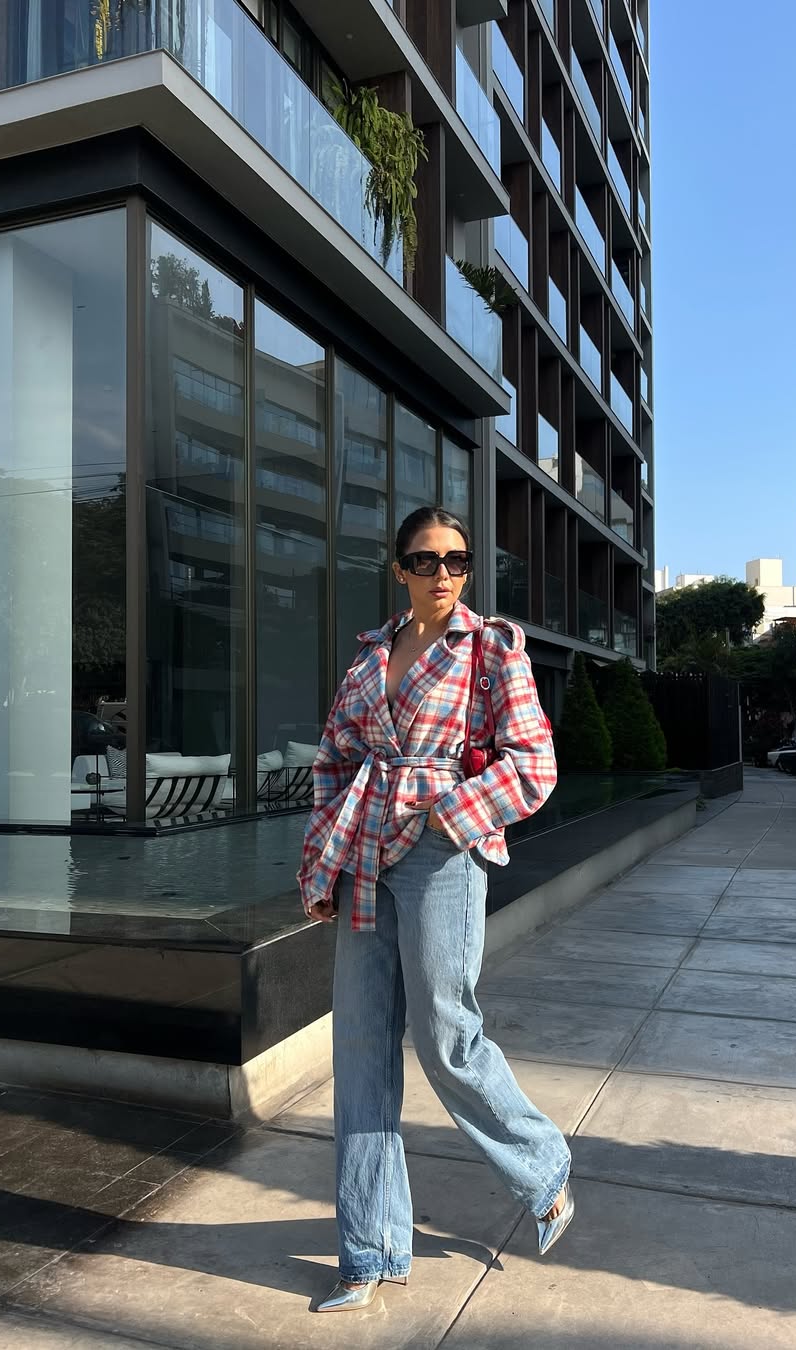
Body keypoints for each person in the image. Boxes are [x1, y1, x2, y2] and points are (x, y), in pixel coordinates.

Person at [297, 506, 574, 1313]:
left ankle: (542, 1166)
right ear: (401, 571)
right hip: (364, 854)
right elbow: (333, 760)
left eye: (457, 560)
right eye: (426, 561)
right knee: (359, 1050)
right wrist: (325, 853)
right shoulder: (369, 658)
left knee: (446, 1036)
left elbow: (534, 764)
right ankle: (368, 1249)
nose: (443, 574)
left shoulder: (491, 649)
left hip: (442, 856)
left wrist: (449, 813)